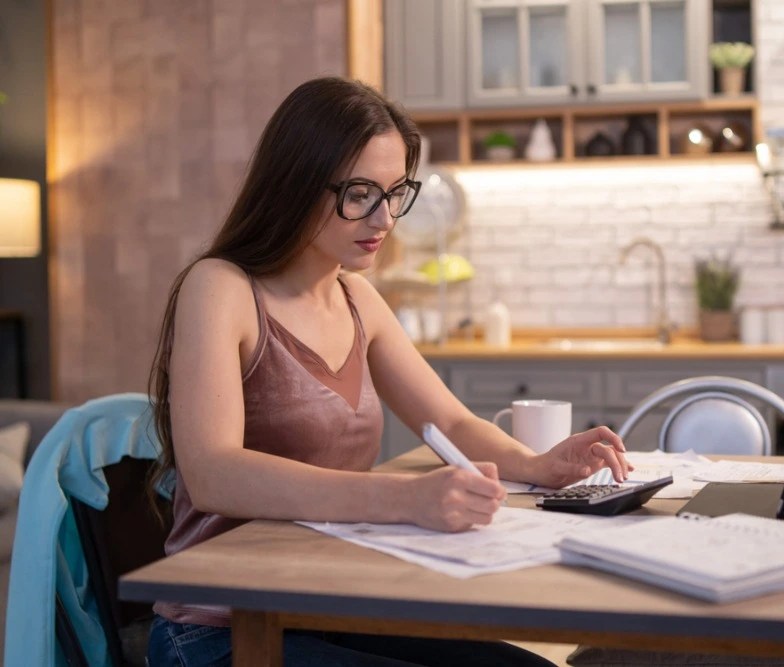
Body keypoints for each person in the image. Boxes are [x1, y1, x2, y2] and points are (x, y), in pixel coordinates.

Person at [144, 76, 631, 667]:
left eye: (396, 191)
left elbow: (447, 417)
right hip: (221, 628)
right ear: (295, 184)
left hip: (332, 605)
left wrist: (537, 465)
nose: (385, 217)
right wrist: (405, 498)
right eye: (359, 193)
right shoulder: (220, 288)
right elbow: (215, 473)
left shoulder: (357, 299)